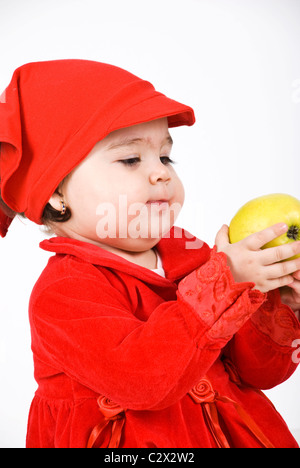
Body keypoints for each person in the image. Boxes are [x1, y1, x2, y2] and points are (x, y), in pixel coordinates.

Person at [0, 59, 299, 448]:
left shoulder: (196, 257)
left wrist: (278, 305)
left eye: (165, 157)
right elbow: (144, 381)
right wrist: (225, 283)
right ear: (56, 193)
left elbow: (256, 374)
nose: (161, 173)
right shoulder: (64, 293)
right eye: (130, 159)